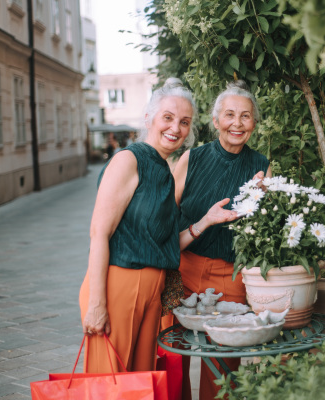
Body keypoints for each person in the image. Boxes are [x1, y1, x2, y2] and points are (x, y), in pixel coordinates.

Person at [78, 78, 238, 373]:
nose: (175, 128)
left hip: (152, 294)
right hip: (119, 285)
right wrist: (97, 303)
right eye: (168, 117)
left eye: (184, 122)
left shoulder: (163, 169)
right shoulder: (129, 160)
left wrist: (206, 221)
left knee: (139, 386)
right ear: (148, 117)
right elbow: (99, 233)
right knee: (108, 383)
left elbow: (163, 244)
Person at [168, 80, 272, 400]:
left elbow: (265, 230)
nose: (236, 124)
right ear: (215, 122)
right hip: (185, 268)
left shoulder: (261, 167)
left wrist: (265, 202)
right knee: (174, 354)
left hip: (231, 274)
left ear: (254, 123)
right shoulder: (191, 159)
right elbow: (165, 215)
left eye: (245, 116)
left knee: (225, 363)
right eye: (229, 115)